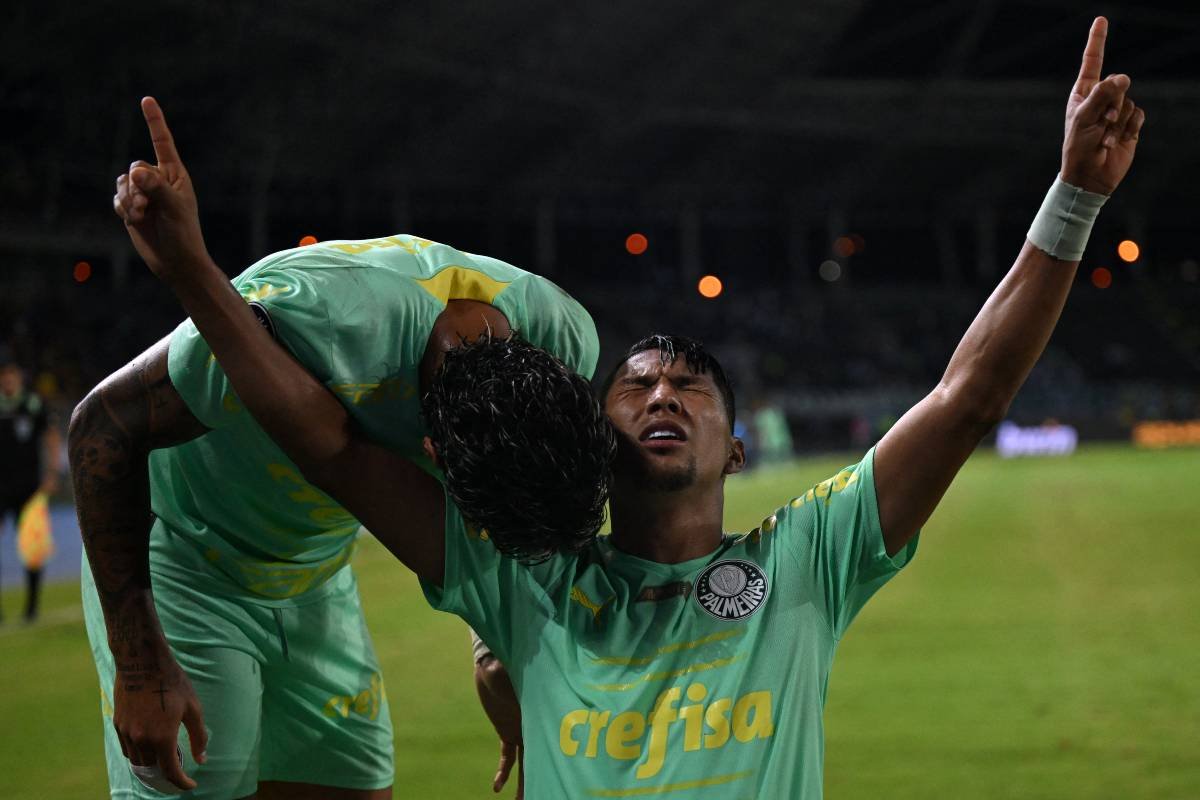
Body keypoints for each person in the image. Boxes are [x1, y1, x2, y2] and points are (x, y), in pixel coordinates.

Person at [131, 17, 1143, 797]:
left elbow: (967, 396)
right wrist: (193, 272)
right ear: (595, 438)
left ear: (736, 447)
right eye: (637, 382)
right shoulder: (522, 582)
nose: (662, 388)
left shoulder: (806, 561)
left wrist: (1073, 199)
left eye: (690, 382)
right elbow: (331, 442)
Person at [74, 97, 613, 799]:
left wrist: (491, 640)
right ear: (432, 452)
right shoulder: (322, 315)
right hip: (188, 564)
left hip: (315, 573)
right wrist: (138, 660)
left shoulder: (567, 340)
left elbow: (500, 509)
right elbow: (98, 427)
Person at [0, 351, 61, 623]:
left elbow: (51, 436)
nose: (7, 379)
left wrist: (51, 472)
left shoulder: (33, 404)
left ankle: (31, 609)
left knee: (32, 548)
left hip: (29, 488)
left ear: (18, 376)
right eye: (3, 375)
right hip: (0, 488)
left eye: (11, 374)